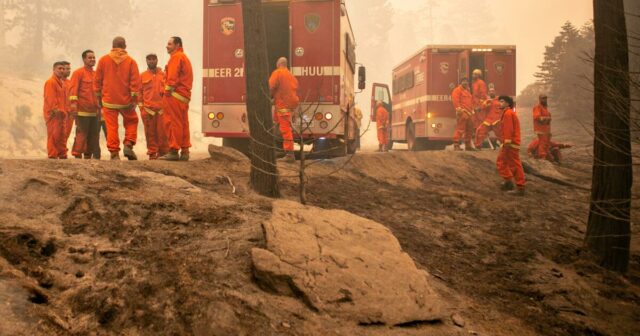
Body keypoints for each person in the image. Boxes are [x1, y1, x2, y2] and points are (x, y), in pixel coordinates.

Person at [94, 36, 141, 160]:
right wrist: (134, 99)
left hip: (109, 100)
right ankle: (128, 144)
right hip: (126, 101)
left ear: (112, 45)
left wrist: (98, 98)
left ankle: (114, 153)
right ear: (125, 46)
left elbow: (97, 80)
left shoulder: (103, 60)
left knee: (111, 127)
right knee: (132, 121)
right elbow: (135, 82)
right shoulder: (131, 61)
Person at [160, 36, 194, 161]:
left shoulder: (176, 57)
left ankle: (174, 151)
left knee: (172, 123)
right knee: (183, 123)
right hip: (183, 97)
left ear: (177, 45)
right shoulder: (184, 57)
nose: (167, 46)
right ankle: (185, 151)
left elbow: (172, 78)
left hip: (174, 96)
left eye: (169, 44)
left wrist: (166, 91)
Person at [69, 50, 100, 159]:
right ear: (84, 59)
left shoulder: (96, 74)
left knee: (93, 135)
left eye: (93, 57)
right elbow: (73, 91)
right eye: (90, 58)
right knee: (81, 133)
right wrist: (73, 107)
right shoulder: (78, 73)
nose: (92, 60)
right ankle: (77, 154)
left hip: (94, 111)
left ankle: (88, 155)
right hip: (82, 110)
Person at [269, 57, 299, 161]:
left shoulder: (278, 73)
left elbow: (271, 86)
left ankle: (290, 155)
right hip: (288, 105)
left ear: (279, 64)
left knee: (285, 129)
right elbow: (286, 90)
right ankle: (278, 149)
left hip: (282, 106)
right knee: (277, 126)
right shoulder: (291, 76)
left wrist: (267, 97)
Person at [139, 54, 168, 160]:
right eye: (149, 59)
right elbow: (139, 93)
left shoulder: (164, 75)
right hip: (148, 110)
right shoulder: (142, 76)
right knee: (150, 133)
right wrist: (141, 108)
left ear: (157, 60)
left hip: (161, 110)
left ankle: (164, 153)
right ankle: (152, 153)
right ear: (146, 61)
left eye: (153, 59)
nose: (151, 61)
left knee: (163, 133)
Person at [496, 96, 525, 196]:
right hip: (509, 143)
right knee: (501, 162)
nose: (500, 103)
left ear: (508, 104)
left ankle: (520, 187)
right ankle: (508, 182)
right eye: (499, 101)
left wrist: (507, 142)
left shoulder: (508, 114)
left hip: (510, 144)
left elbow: (509, 129)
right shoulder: (507, 113)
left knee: (514, 165)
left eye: (502, 101)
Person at [43, 62, 68, 159]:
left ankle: (62, 154)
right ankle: (52, 155)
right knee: (53, 135)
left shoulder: (62, 83)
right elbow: (50, 98)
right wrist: (55, 110)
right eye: (59, 68)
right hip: (53, 114)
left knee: (61, 135)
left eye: (63, 69)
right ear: (54, 70)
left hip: (61, 114)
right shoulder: (50, 82)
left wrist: (64, 111)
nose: (62, 70)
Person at [451, 77, 475, 151]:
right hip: (462, 112)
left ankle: (468, 146)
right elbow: (455, 101)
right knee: (460, 128)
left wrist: (472, 110)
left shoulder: (467, 91)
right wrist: (459, 110)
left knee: (469, 129)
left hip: (470, 113)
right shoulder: (457, 90)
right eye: (464, 81)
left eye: (466, 82)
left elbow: (471, 102)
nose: (465, 83)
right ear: (460, 82)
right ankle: (456, 145)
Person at [532, 94, 552, 160]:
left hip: (546, 129)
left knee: (546, 142)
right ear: (540, 99)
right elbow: (537, 117)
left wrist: (548, 118)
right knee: (543, 142)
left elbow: (548, 117)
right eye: (543, 98)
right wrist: (547, 118)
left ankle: (546, 156)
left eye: (546, 98)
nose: (545, 100)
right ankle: (542, 156)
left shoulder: (545, 108)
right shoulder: (537, 107)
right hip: (540, 129)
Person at [62, 61, 74, 157]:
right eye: (66, 69)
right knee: (60, 133)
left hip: (70, 113)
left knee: (67, 133)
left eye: (69, 69)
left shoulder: (71, 83)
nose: (68, 71)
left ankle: (63, 152)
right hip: (61, 113)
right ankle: (59, 151)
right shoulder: (56, 82)